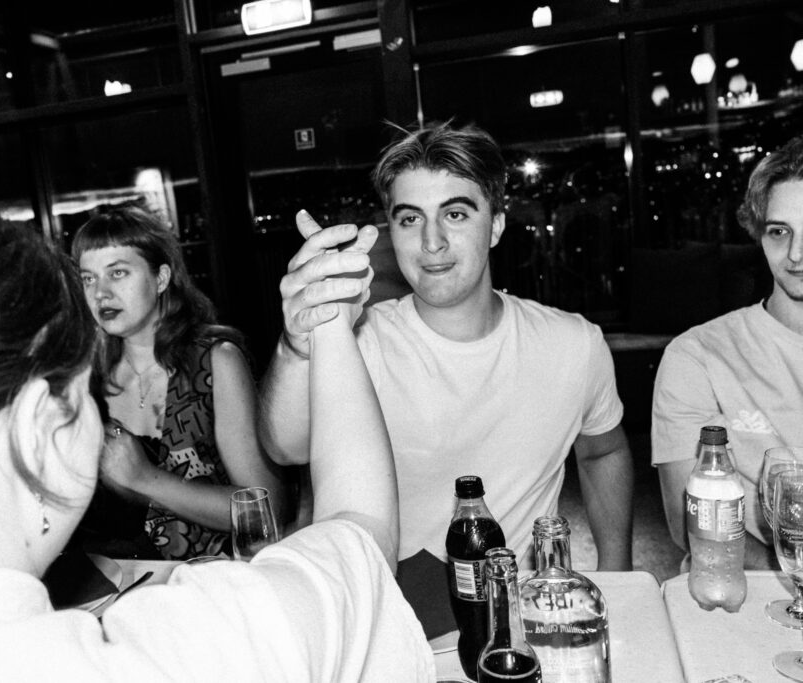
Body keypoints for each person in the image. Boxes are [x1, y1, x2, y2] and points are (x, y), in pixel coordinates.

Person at [0, 184, 433, 681]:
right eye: (75, 394)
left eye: (118, 272)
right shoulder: (186, 654)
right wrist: (329, 324)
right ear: (38, 430)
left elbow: (266, 504)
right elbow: (359, 532)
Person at [259, 121, 634, 572]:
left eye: (455, 214)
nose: (431, 242)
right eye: (410, 219)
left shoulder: (573, 345)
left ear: (495, 226)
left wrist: (618, 571)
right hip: (393, 601)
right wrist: (297, 346)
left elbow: (603, 450)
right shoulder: (360, 343)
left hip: (519, 601)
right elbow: (286, 448)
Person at [71, 205, 283, 560]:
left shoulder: (215, 362)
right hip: (117, 583)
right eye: (89, 278)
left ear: (161, 278)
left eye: (118, 273)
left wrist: (144, 478)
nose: (100, 293)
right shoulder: (84, 376)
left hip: (214, 579)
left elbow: (266, 510)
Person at [652, 135, 803, 570]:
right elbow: (690, 525)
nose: (795, 254)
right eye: (779, 231)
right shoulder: (697, 357)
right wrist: (791, 575)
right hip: (748, 593)